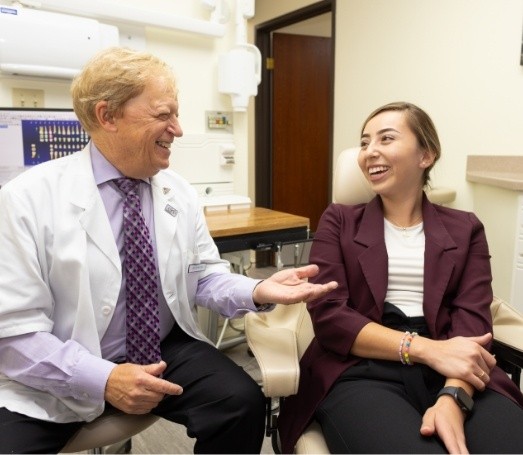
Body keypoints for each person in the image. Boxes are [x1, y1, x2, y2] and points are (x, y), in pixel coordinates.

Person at [0, 47, 338, 454]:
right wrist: (103, 378)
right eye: (163, 115)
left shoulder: (175, 190)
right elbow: (13, 336)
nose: (177, 129)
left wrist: (257, 291)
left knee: (241, 403)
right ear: (107, 116)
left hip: (158, 347)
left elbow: (202, 276)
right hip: (59, 364)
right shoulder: (24, 200)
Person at [277, 101, 523, 454]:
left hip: (453, 365)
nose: (369, 152)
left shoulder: (466, 228)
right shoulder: (339, 221)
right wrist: (425, 350)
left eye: (385, 139)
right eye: (364, 143)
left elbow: (472, 317)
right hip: (362, 366)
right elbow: (331, 317)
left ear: (426, 155)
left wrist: (454, 396)